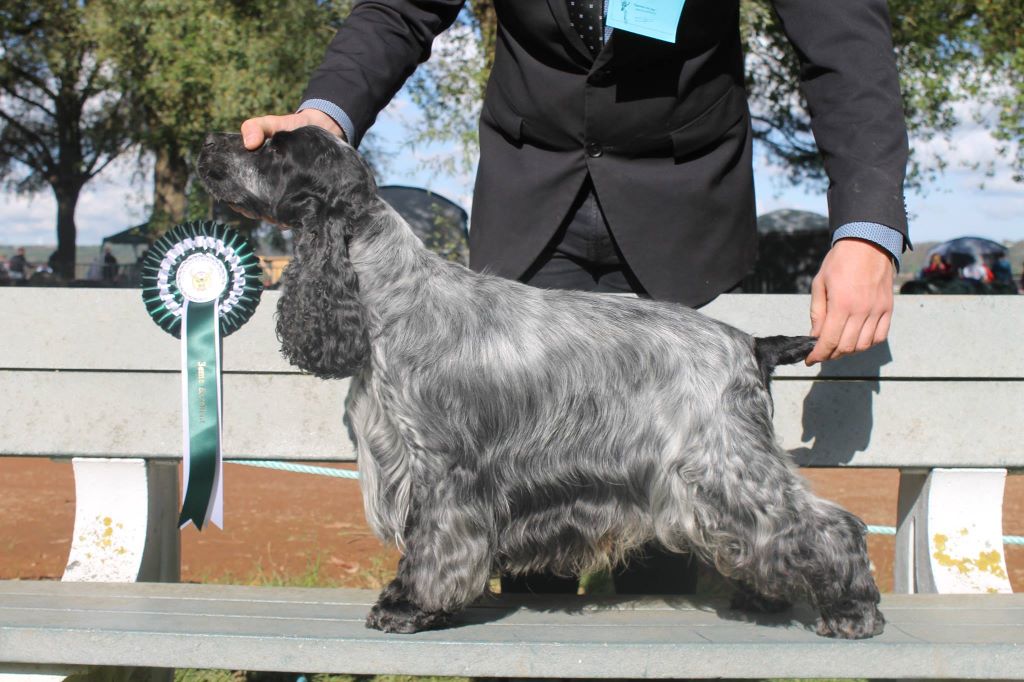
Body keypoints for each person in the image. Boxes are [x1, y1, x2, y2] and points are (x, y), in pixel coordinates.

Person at [241, 2, 909, 594]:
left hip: (681, 203)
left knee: (674, 565)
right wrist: (324, 118)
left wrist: (868, 231)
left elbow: (842, 32)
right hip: (530, 205)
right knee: (512, 545)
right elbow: (399, 8)